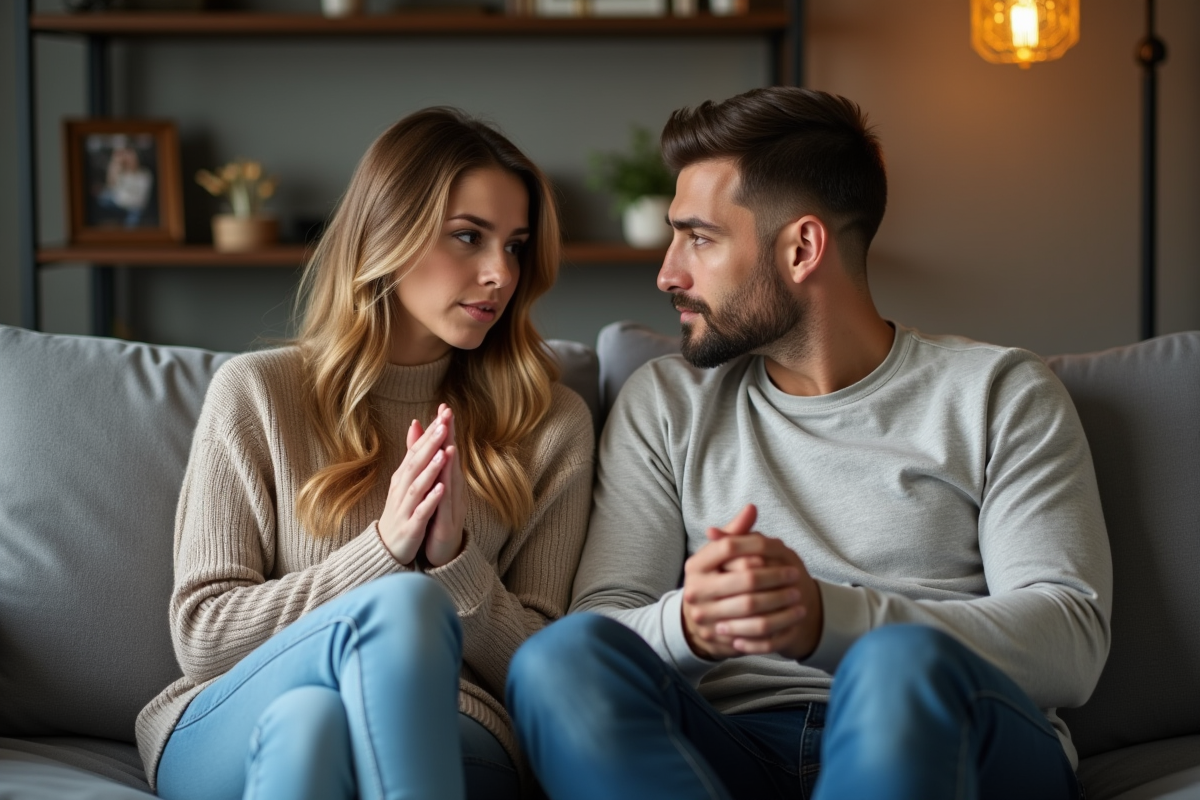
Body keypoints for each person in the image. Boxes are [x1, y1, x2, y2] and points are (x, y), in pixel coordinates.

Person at [505, 87, 1112, 800]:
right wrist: (690, 625)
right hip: (732, 750)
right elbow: (601, 626)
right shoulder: (667, 402)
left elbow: (1071, 641)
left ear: (801, 248)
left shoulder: (998, 392)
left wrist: (827, 619)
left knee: (897, 665)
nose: (668, 272)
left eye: (699, 238)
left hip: (951, 739)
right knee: (556, 659)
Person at [135, 108, 595, 800]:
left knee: (310, 724)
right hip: (230, 723)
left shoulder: (550, 423)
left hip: (454, 728)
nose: (500, 272)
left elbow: (544, 678)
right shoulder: (257, 394)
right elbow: (204, 637)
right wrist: (384, 551)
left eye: (516, 245)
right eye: (469, 236)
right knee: (355, 659)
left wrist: (454, 564)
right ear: (387, 233)